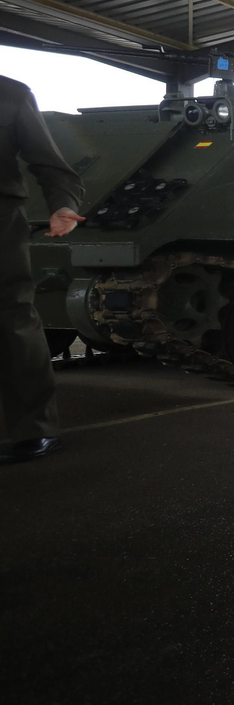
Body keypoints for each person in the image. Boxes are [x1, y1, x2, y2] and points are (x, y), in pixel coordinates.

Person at [1, 74, 85, 465]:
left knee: (13, 319)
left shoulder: (11, 94)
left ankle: (36, 429)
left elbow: (50, 164)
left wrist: (63, 203)